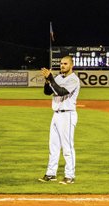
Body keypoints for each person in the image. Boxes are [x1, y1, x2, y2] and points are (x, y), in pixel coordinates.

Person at [38, 56, 81, 184]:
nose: (62, 65)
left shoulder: (73, 79)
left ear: (71, 65)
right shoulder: (58, 78)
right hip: (56, 114)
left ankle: (70, 175)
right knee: (53, 146)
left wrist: (51, 78)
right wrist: (47, 80)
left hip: (67, 115)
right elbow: (47, 92)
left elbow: (61, 91)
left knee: (67, 147)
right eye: (61, 63)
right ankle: (51, 173)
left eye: (65, 64)